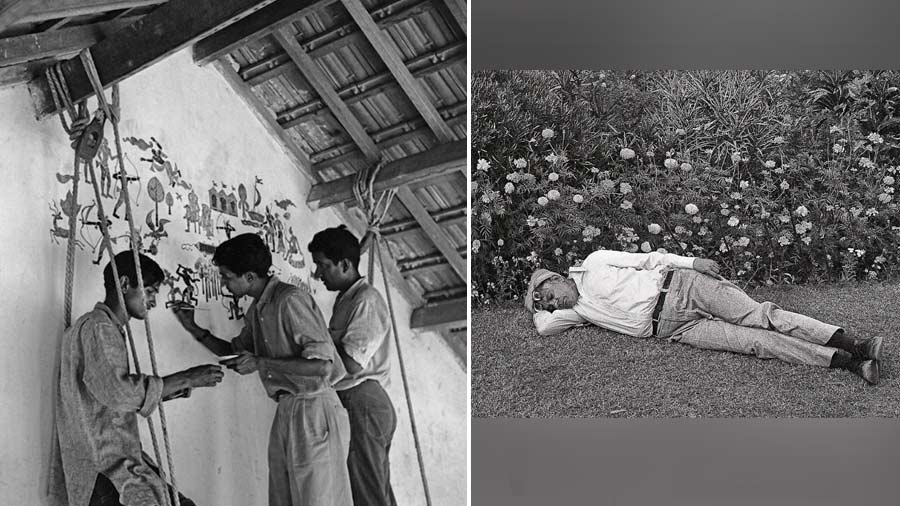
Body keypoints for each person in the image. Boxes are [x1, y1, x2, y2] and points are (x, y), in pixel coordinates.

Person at [172, 233, 352, 506]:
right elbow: (234, 354)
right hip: (288, 408)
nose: (224, 283)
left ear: (249, 277)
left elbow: (322, 367)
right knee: (283, 498)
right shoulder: (258, 310)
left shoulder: (289, 300)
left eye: (227, 276)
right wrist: (193, 328)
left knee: (318, 500)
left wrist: (261, 363)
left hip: (315, 409)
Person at [525, 249, 883, 384]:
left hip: (683, 286)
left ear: (557, 277)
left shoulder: (595, 262)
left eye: (550, 296)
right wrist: (537, 306)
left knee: (761, 317)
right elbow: (544, 327)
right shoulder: (578, 311)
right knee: (755, 343)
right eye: (550, 305)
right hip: (678, 329)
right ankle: (850, 364)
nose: (555, 305)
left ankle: (857, 343)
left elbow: (649, 259)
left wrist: (692, 263)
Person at [50, 250, 225, 506]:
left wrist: (177, 388)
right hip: (104, 465)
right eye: (151, 290)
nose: (153, 300)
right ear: (124, 284)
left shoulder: (100, 327)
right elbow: (119, 393)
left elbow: (110, 394)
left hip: (112, 457)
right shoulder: (99, 328)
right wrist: (187, 378)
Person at [308, 226, 397, 506]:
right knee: (370, 490)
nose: (318, 274)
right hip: (355, 402)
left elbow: (351, 364)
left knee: (367, 494)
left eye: (323, 266)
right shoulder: (348, 297)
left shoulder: (366, 301)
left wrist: (311, 337)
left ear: (345, 264)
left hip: (363, 401)